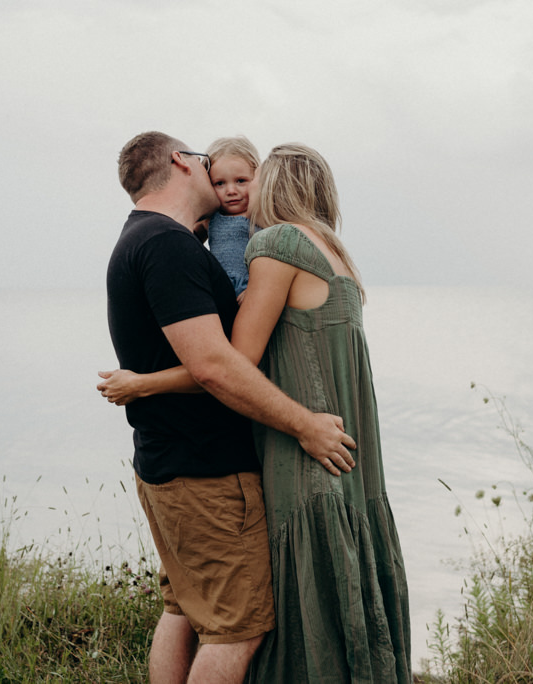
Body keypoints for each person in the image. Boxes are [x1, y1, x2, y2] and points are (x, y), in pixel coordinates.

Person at [101, 143, 412, 682]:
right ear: (179, 161)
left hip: (176, 459)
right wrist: (304, 424)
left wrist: (145, 384)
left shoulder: (160, 241)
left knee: (185, 608)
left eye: (245, 180)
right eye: (212, 170)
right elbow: (218, 366)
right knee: (235, 628)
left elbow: (222, 361)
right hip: (205, 466)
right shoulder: (170, 245)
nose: (229, 191)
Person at [204, 135, 260, 298]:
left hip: (253, 288)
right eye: (220, 183)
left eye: (241, 181)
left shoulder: (259, 215)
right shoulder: (210, 218)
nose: (231, 191)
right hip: (219, 288)